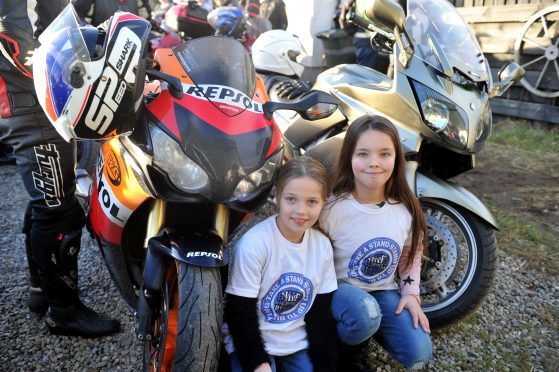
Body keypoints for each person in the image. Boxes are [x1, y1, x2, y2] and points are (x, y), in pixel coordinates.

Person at [0, 1, 120, 336]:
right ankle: (64, 311)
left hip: (36, 100)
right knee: (60, 212)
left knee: (49, 199)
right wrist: (75, 69)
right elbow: (14, 36)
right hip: (35, 103)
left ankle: (41, 292)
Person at [319, 115, 432, 370]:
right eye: (363, 154)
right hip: (339, 290)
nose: (374, 163)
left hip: (383, 290)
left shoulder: (405, 209)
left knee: (419, 354)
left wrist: (411, 294)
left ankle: (368, 328)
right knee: (364, 313)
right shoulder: (332, 208)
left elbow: (409, 255)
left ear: (396, 158)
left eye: (384, 154)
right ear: (349, 157)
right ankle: (348, 355)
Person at [224, 157, 338, 372]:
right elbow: (240, 311)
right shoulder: (254, 244)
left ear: (324, 201)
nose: (301, 211)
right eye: (291, 199)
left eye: (311, 202)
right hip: (254, 338)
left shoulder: (322, 246)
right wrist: (258, 362)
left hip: (296, 341)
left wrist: (325, 362)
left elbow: (320, 313)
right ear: (278, 197)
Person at [73, 0, 152, 26]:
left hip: (130, 48)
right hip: (98, 51)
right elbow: (78, 21)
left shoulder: (141, 2)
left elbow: (146, 23)